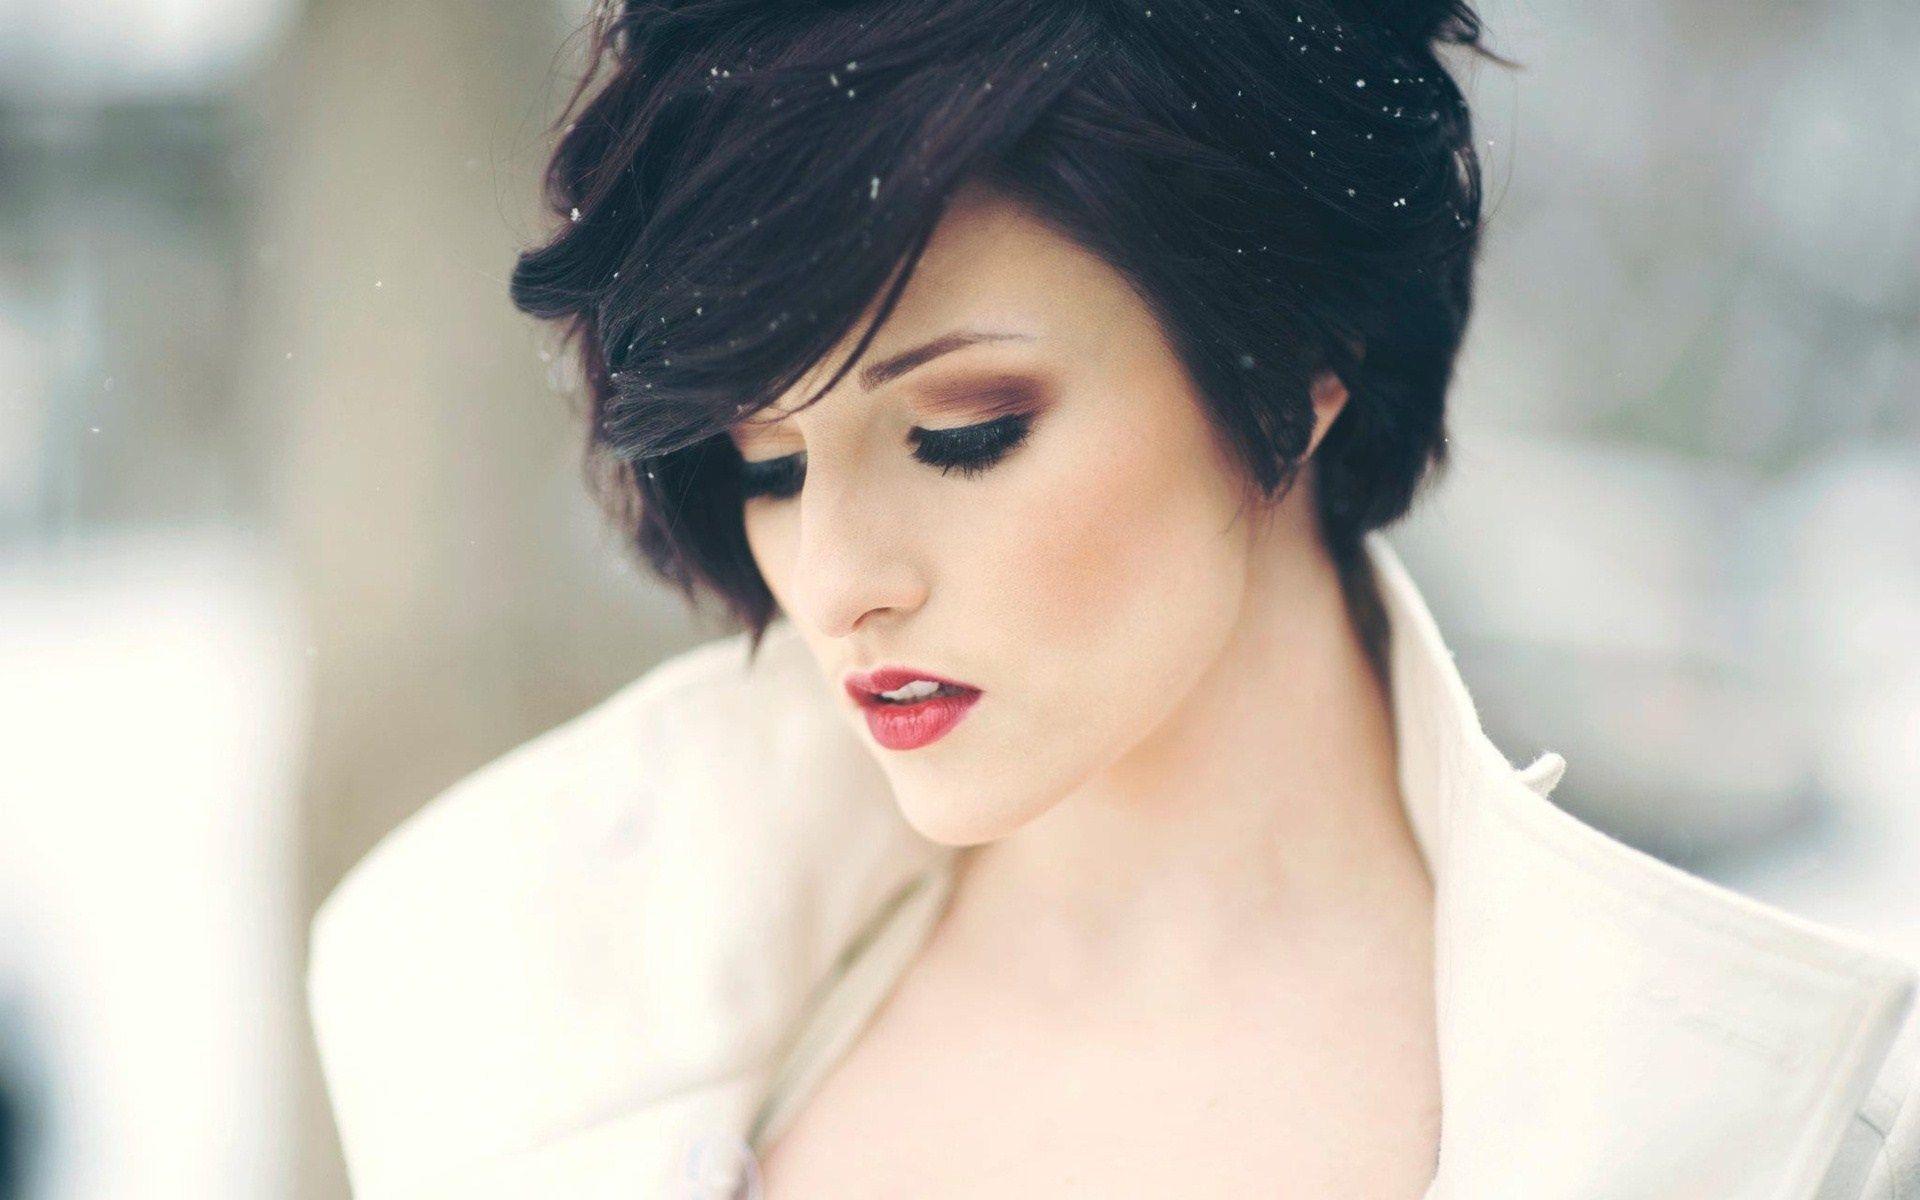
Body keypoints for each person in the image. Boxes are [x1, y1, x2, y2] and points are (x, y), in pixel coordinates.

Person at [306, 1, 1920, 1196]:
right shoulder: (508, 1005)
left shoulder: (1735, 1131)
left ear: (1293, 358)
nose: (840, 580)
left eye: (963, 434)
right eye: (771, 466)